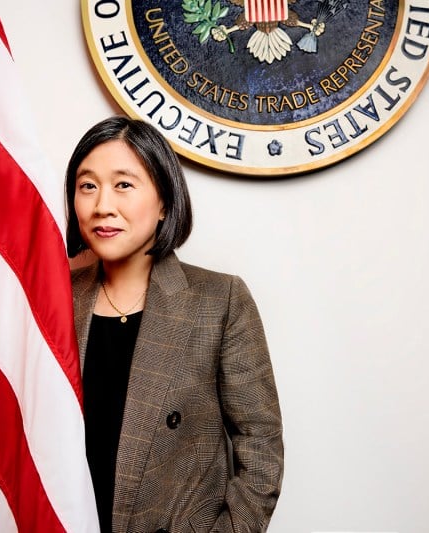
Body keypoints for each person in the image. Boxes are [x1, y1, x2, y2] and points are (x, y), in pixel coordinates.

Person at [65, 116, 283, 533]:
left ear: (164, 200)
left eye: (123, 184)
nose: (102, 205)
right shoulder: (55, 298)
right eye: (87, 185)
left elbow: (261, 445)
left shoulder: (220, 300)